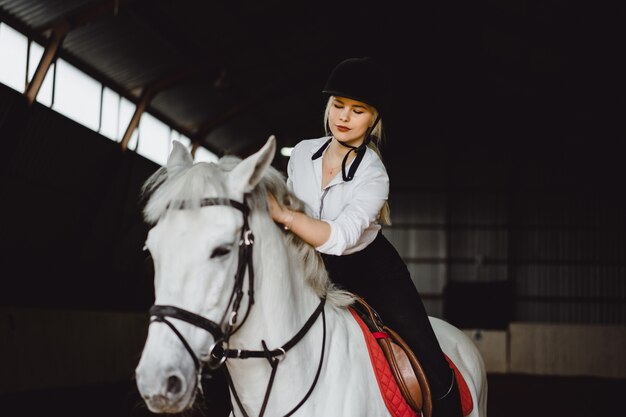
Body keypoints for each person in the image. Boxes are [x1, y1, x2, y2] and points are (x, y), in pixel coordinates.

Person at [267, 57, 463, 417]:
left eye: (357, 110)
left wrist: (283, 214)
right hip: (309, 265)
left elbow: (340, 238)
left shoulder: (374, 174)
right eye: (338, 106)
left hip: (370, 271)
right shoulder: (301, 154)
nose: (343, 117)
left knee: (429, 359)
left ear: (373, 119)